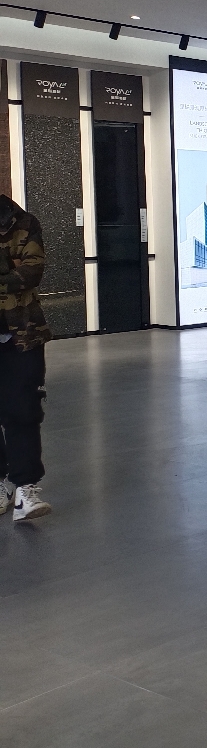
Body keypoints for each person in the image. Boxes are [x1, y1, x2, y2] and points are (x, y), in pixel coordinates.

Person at [0, 193, 53, 522]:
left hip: (22, 334)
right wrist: (9, 267)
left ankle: (25, 489)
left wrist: (16, 273)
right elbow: (16, 275)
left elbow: (31, 274)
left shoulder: (23, 223)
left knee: (23, 410)